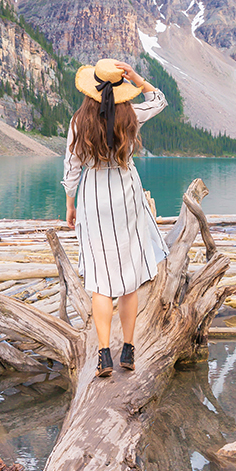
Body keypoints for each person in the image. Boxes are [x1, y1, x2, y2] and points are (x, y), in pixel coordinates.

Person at [62, 57, 168, 377]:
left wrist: (70, 204)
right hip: (126, 193)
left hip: (93, 197)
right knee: (129, 279)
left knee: (101, 281)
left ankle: (104, 355)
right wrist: (138, 78)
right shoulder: (132, 114)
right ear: (120, 89)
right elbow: (160, 100)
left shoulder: (79, 121)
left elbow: (72, 167)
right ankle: (129, 351)